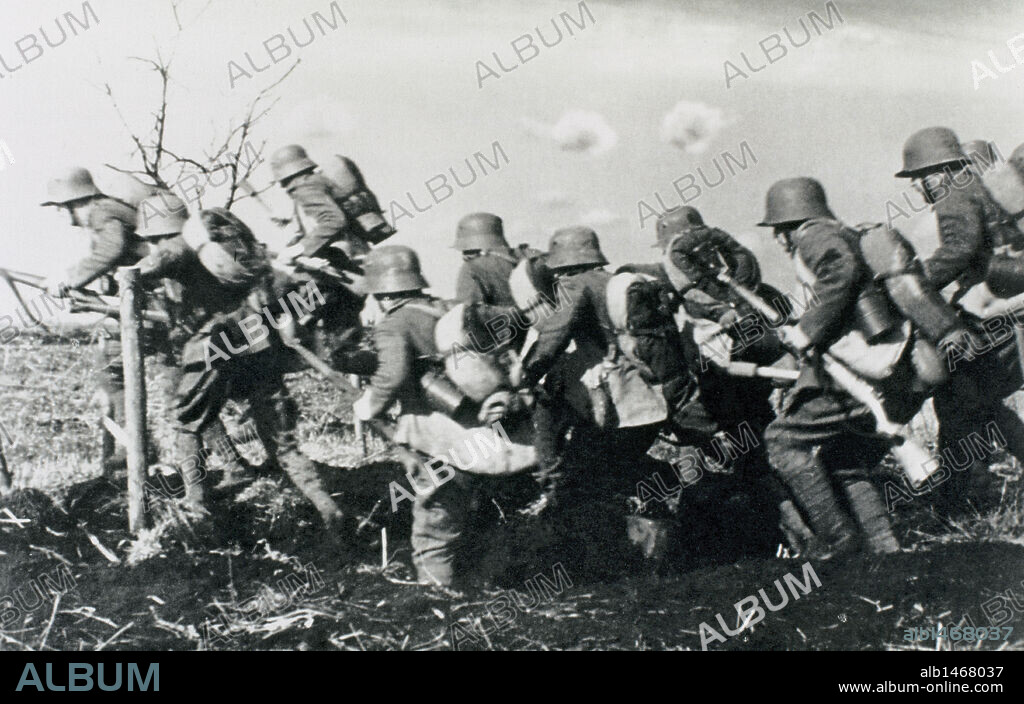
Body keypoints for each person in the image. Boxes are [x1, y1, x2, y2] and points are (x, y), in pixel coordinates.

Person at [135, 194, 348, 536]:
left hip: (216, 345)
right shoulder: (224, 247)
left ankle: (196, 504)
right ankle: (325, 504)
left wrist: (134, 273)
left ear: (153, 234)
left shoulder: (178, 247)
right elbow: (288, 294)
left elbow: (163, 258)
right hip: (257, 340)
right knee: (281, 441)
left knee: (186, 422)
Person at [351, 245, 535, 587]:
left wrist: (367, 405)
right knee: (481, 511)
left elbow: (392, 374)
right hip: (488, 435)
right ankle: (488, 579)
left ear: (380, 292)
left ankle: (436, 595)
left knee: (435, 519)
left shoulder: (395, 323)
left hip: (444, 440)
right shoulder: (446, 309)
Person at [759, 177, 920, 558]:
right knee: (844, 457)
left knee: (781, 441)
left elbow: (841, 270)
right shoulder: (838, 230)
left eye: (777, 232)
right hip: (891, 365)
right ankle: (886, 549)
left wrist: (807, 330)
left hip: (865, 371)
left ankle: (837, 542)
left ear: (786, 227)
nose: (778, 242)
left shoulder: (812, 235)